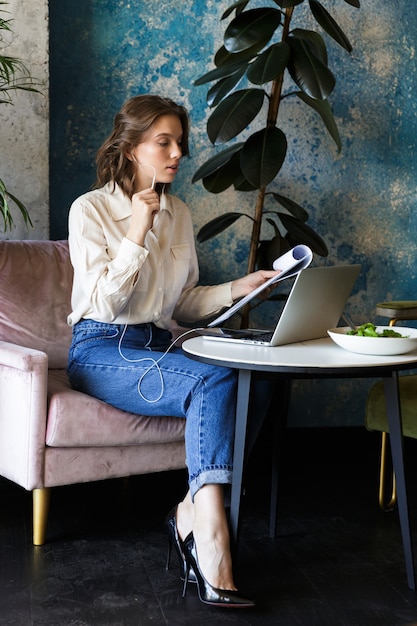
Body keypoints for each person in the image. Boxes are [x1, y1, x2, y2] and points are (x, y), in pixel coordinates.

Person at [66, 94, 279, 608]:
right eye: (164, 142)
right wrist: (137, 229)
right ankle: (213, 540)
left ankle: (190, 510)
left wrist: (238, 289)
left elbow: (180, 302)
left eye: (179, 142)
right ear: (132, 147)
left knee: (259, 375)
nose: (177, 153)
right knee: (213, 378)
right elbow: (105, 303)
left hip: (157, 342)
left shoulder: (179, 213)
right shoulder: (90, 209)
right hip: (101, 348)